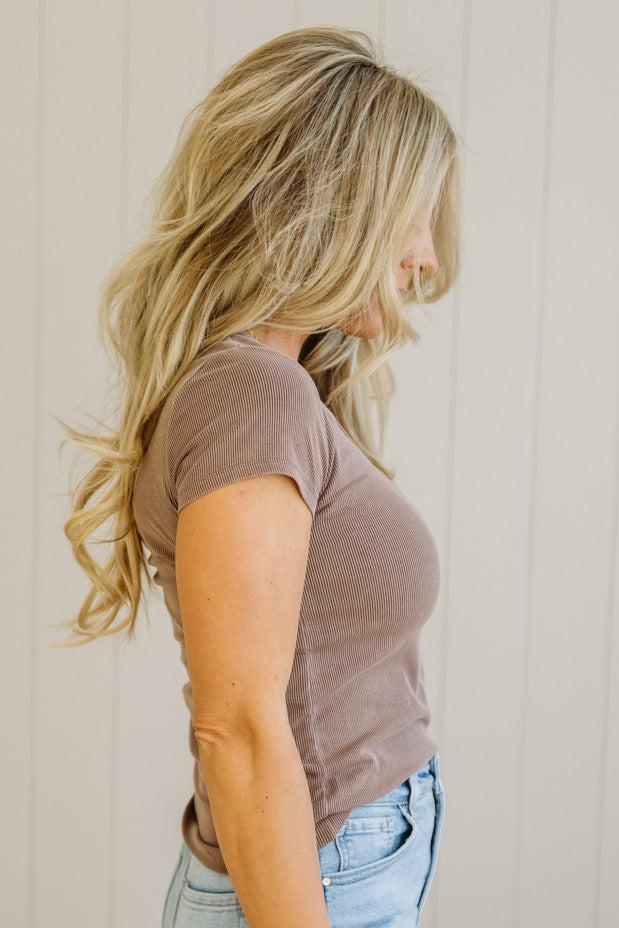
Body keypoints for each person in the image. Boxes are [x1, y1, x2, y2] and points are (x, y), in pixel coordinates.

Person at [56, 24, 461, 928]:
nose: (425, 257)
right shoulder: (252, 394)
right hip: (320, 876)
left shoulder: (276, 386)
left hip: (348, 860)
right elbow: (235, 732)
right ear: (330, 206)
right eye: (412, 214)